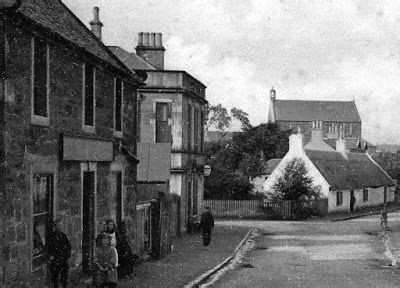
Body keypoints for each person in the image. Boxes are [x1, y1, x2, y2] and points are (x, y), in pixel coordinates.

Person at [47, 219, 71, 288]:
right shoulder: (51, 236)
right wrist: (53, 255)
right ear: (55, 227)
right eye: (58, 226)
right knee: (55, 277)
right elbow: (50, 248)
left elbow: (68, 245)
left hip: (63, 259)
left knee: (65, 276)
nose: (60, 227)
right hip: (56, 260)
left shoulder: (63, 235)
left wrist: (67, 254)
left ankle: (64, 285)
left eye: (61, 225)